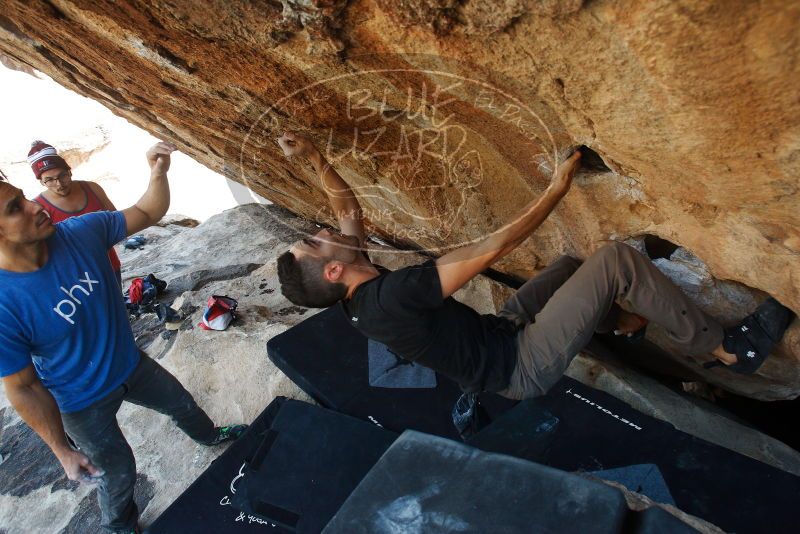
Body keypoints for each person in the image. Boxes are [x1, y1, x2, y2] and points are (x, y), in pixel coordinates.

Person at [275, 131, 794, 400]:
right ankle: (725, 349)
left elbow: (348, 212)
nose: (324, 234)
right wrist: (557, 188)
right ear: (333, 272)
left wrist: (317, 159)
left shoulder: (357, 291)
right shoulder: (393, 295)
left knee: (568, 266)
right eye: (317, 245)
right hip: (520, 366)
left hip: (498, 335)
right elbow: (493, 248)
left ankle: (628, 324)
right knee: (615, 261)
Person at [0, 144, 247, 534]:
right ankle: (119, 526)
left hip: (130, 363)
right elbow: (22, 386)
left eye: (22, 198)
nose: (35, 206)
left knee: (182, 404)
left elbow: (148, 212)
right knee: (117, 472)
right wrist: (62, 451)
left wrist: (157, 172)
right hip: (81, 400)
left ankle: (211, 436)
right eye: (15, 209)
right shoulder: (3, 304)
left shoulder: (78, 232)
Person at [28, 140, 123, 287]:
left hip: (110, 265)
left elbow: (117, 222)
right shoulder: (38, 208)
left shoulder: (92, 189)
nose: (59, 184)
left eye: (62, 176)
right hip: (76, 280)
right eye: (49, 180)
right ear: (41, 182)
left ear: (70, 171)